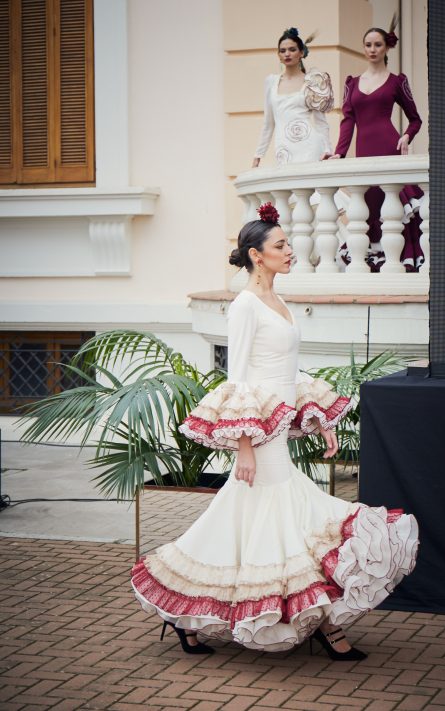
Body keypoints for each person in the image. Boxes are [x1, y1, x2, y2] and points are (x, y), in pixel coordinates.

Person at [131, 203, 419, 659]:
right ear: (255, 255)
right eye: (281, 245)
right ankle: (324, 625)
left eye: (287, 243)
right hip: (258, 437)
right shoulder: (245, 304)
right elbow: (239, 378)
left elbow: (287, 370)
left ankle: (186, 610)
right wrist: (244, 445)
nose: (290, 251)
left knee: (244, 516)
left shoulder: (278, 301)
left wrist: (320, 419)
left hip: (275, 426)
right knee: (288, 511)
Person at [326, 18, 424, 272]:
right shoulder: (352, 83)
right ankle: (374, 261)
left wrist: (406, 136)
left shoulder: (396, 82)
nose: (372, 49)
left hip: (388, 146)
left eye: (377, 44)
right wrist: (339, 153)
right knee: (369, 205)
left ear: (386, 48)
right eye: (368, 44)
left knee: (388, 204)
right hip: (364, 151)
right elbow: (348, 121)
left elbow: (416, 120)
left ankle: (399, 260)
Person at [252, 27, 334, 167]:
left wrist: (327, 150)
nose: (287, 54)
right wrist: (258, 155)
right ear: (278, 55)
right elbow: (268, 122)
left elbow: (320, 122)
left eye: (292, 49)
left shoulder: (312, 82)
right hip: (283, 149)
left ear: (301, 52)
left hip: (310, 148)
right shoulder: (271, 82)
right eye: (282, 51)